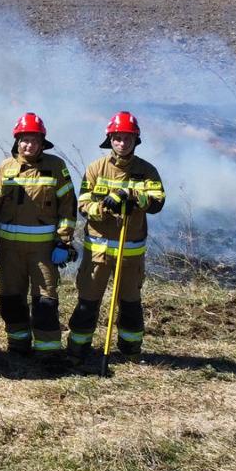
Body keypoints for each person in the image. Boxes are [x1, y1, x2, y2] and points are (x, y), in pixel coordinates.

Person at [68, 111, 168, 362]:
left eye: (127, 138)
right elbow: (83, 205)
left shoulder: (147, 171)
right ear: (110, 140)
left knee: (130, 303)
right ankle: (78, 349)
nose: (122, 143)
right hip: (98, 251)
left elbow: (157, 202)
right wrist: (104, 207)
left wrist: (133, 196)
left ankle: (130, 350)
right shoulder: (95, 169)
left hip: (130, 251)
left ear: (135, 140)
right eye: (117, 138)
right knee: (88, 301)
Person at [0, 113, 77, 359]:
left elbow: (68, 207)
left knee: (45, 302)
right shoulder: (5, 167)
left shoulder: (56, 167)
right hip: (9, 251)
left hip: (43, 252)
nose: (29, 145)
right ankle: (18, 347)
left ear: (42, 143)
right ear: (17, 141)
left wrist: (63, 242)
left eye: (35, 140)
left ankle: (48, 354)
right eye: (25, 140)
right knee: (11, 300)